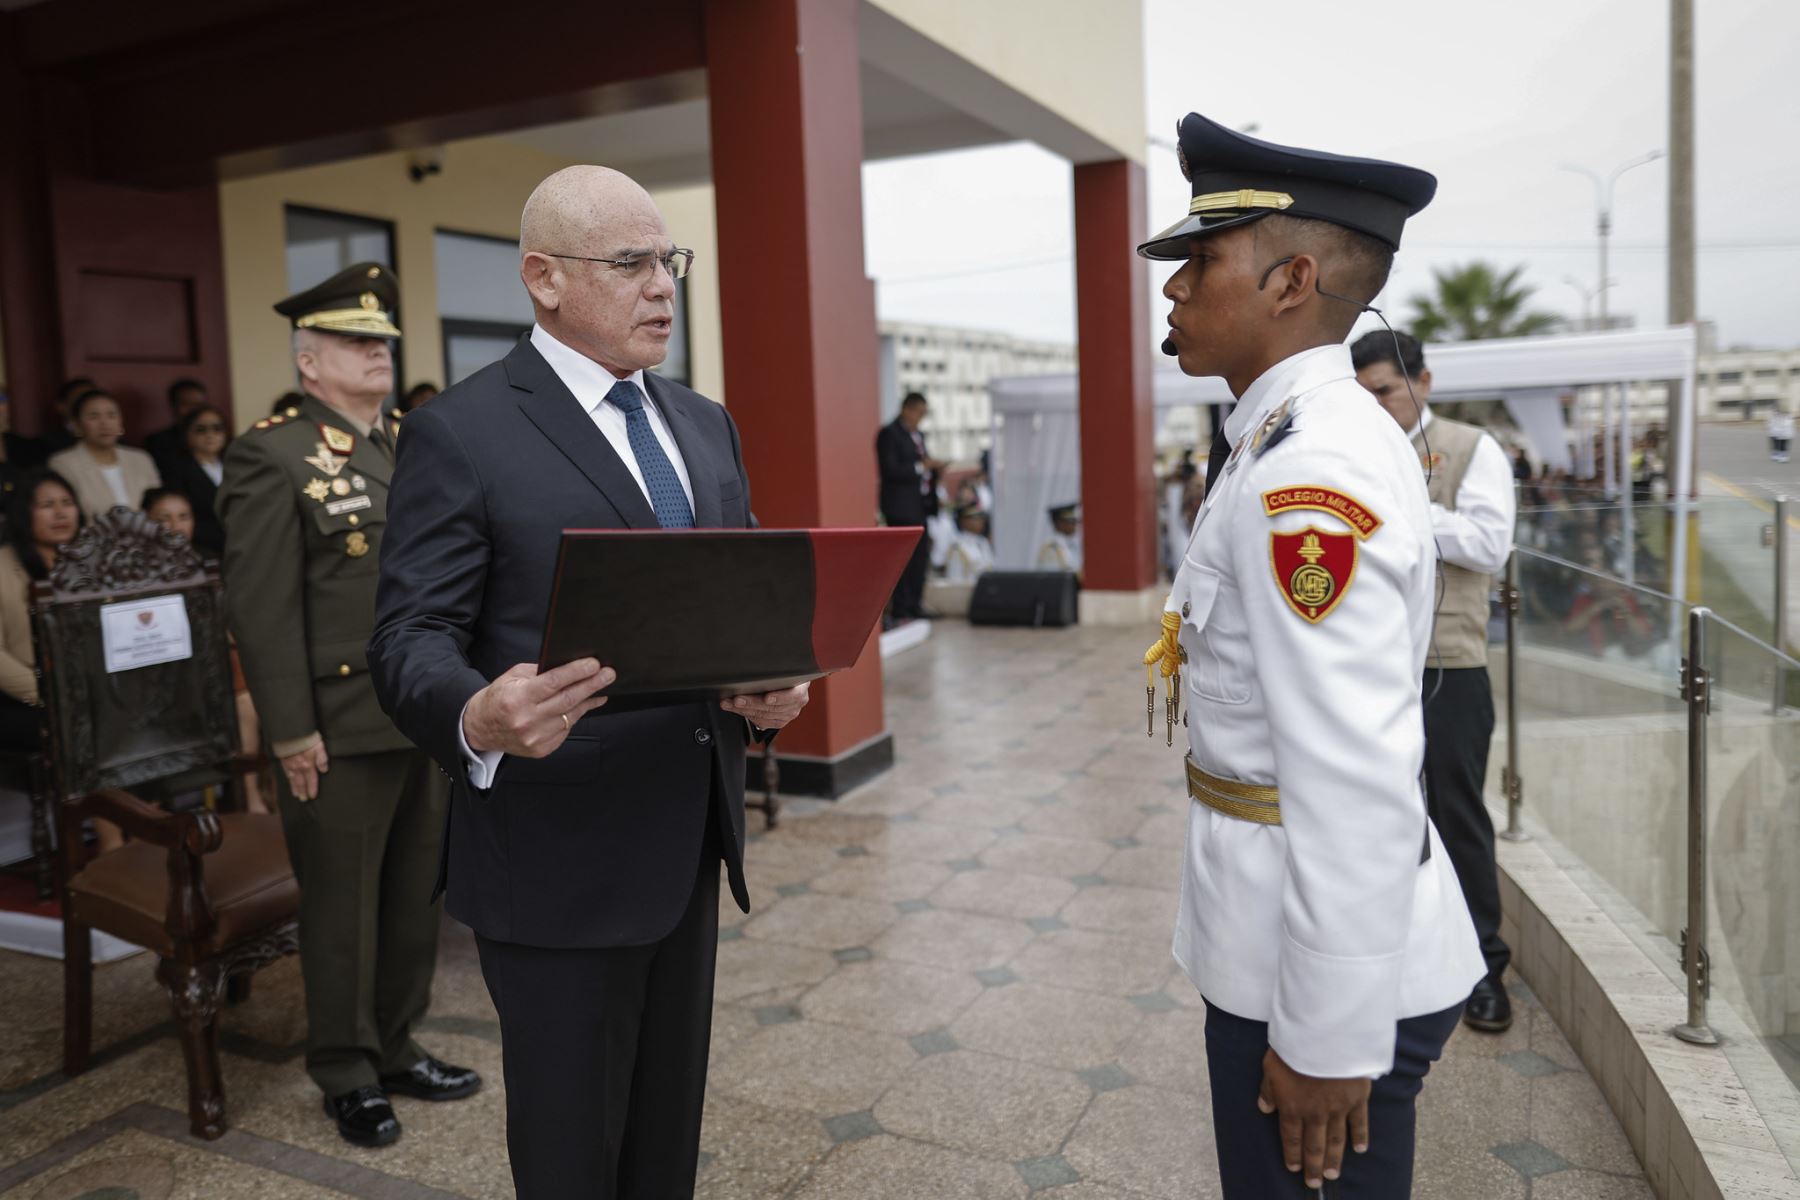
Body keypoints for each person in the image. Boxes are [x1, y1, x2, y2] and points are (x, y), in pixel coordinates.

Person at [367, 165, 809, 1199]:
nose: (663, 287)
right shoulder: (463, 431)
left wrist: (767, 687)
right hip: (554, 857)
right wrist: (475, 712)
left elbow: (733, 603)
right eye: (631, 263)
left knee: (664, 1145)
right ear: (544, 279)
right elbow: (408, 636)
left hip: (686, 839)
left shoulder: (704, 425)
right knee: (571, 1155)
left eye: (670, 261)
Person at [1139, 112, 1483, 1198]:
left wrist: (1331, 1037)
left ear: (1291, 281)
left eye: (1200, 260)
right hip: (1275, 928)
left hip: (1318, 972)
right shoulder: (1282, 437)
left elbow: (1352, 763)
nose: (1173, 287)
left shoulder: (1309, 470)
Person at [217, 262, 478, 1149]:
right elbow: (261, 605)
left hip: (424, 712)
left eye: (384, 340)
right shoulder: (273, 452)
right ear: (308, 359)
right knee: (341, 909)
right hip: (334, 728)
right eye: (355, 340)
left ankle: (398, 1044)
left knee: (413, 899)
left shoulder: (412, 438)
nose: (378, 351)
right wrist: (289, 728)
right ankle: (345, 1068)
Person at [1352, 329, 1519, 1034]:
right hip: (1371, 665)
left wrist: (1405, 512)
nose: (1378, 406)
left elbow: (1489, 543)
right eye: (1364, 395)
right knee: (1374, 817)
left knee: (1458, 820)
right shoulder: (1352, 450)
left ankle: (1485, 970)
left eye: (1387, 390)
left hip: (1449, 667)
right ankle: (1393, 959)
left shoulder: (1473, 449)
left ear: (1422, 382)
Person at [877, 391, 943, 621]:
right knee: (903, 561)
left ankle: (915, 604)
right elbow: (890, 469)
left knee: (920, 558)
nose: (920, 418)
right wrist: (920, 468)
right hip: (900, 507)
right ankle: (901, 607)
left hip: (920, 506)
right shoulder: (889, 434)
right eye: (918, 413)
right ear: (907, 409)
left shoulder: (919, 436)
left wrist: (934, 470)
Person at [48, 390, 162, 520]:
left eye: (111, 415)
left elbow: (159, 506)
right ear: (77, 426)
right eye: (94, 416)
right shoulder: (63, 463)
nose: (104, 423)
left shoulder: (141, 459)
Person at [159, 403, 231, 557]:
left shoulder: (236, 466)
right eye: (201, 429)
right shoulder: (176, 470)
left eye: (217, 428)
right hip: (202, 549)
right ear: (187, 434)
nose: (210, 434)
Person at [143, 378, 210, 471]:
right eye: (186, 404)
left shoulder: (217, 438)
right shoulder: (158, 442)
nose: (193, 410)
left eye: (198, 404)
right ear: (173, 406)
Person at [39, 378, 96, 457]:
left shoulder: (113, 440)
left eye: (92, 398)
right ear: (61, 407)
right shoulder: (45, 444)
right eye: (80, 398)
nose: (88, 403)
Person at [942, 503, 995, 583]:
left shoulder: (984, 543)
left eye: (982, 518)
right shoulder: (957, 547)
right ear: (964, 521)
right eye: (976, 518)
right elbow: (955, 581)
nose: (981, 521)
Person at [1036, 502, 1083, 575]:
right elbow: (1053, 576)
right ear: (1059, 523)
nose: (1074, 524)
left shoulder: (1075, 543)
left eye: (1075, 521)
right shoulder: (1052, 547)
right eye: (1071, 521)